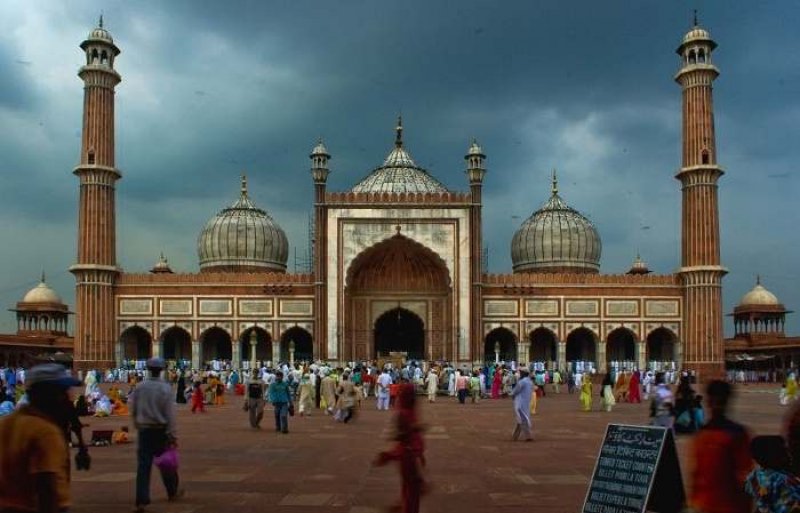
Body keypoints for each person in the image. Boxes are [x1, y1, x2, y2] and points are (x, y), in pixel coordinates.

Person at [0, 364, 81, 513]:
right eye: (61, 392)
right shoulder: (45, 431)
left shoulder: (6, 423)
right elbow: (46, 485)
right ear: (46, 394)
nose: (65, 397)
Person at [688, 380, 752, 513]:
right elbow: (745, 476)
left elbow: (695, 474)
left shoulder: (702, 435)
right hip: (726, 505)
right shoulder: (737, 434)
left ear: (708, 402)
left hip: (710, 505)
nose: (716, 405)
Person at [131, 357, 182, 512]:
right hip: (160, 430)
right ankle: (172, 491)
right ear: (161, 370)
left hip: (144, 430)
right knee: (166, 463)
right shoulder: (165, 388)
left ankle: (141, 500)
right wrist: (172, 434)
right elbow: (170, 414)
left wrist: (137, 423)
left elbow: (134, 408)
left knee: (143, 466)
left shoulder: (140, 387)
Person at [374, 384, 427, 513]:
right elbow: (403, 436)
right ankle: (405, 508)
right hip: (408, 454)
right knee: (412, 488)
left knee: (411, 487)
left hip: (409, 453)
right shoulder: (405, 413)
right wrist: (415, 429)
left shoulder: (407, 411)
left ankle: (403, 507)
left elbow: (404, 435)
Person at [745, 435, 800, 512]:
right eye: (783, 451)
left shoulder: (753, 477)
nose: (789, 455)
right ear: (773, 455)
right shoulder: (783, 480)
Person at [511, 369, 534, 442]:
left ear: (524, 374)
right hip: (526, 402)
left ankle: (520, 436)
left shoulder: (522, 382)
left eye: (521, 373)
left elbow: (516, 390)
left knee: (521, 419)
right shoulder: (530, 382)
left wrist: (512, 395)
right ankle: (521, 436)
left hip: (520, 402)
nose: (520, 374)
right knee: (523, 418)